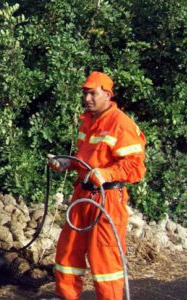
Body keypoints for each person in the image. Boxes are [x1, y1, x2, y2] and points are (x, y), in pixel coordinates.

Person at [48, 71, 146, 300]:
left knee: (105, 258)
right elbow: (87, 160)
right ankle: (66, 296)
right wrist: (67, 162)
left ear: (107, 94)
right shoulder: (89, 121)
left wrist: (107, 173)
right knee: (68, 249)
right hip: (82, 195)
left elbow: (136, 168)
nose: (87, 99)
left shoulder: (120, 123)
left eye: (93, 93)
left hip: (107, 199)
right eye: (85, 94)